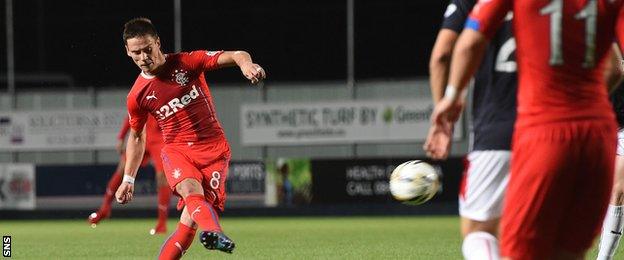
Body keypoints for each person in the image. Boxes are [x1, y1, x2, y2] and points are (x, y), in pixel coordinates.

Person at [424, 0, 624, 259]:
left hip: (543, 130)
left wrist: (451, 97)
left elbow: (466, 44)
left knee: (495, 238)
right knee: (565, 251)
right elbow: (615, 67)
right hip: (598, 135)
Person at [114, 17, 265, 258]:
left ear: (158, 42)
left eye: (147, 49)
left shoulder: (187, 63)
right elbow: (136, 137)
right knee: (189, 189)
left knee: (187, 227)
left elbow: (237, 53)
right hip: (177, 150)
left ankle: (211, 232)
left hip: (214, 151)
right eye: (136, 53)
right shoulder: (137, 96)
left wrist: (246, 65)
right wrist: (128, 179)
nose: (143, 58)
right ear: (127, 51)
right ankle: (216, 233)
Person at [426, 0, 516, 259]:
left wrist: (447, 104)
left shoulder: (477, 2)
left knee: (479, 231)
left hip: (496, 130)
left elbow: (442, 54)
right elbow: (613, 64)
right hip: (556, 131)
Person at [88, 114, 171, 235]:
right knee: (123, 169)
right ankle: (105, 208)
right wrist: (121, 136)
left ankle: (162, 223)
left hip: (159, 137)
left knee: (162, 177)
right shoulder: (139, 95)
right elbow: (133, 112)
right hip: (140, 133)